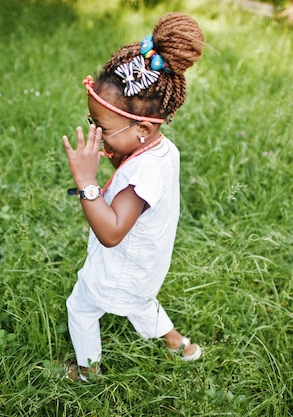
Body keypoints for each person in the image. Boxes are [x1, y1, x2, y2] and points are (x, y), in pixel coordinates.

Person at [62, 12, 205, 382]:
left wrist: (86, 180)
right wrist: (116, 156)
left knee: (80, 307)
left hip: (120, 269)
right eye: (91, 122)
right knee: (141, 303)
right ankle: (179, 345)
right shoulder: (161, 150)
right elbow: (133, 180)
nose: (96, 133)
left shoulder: (142, 174)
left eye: (102, 128)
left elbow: (111, 234)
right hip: (146, 268)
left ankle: (88, 369)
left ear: (142, 128)